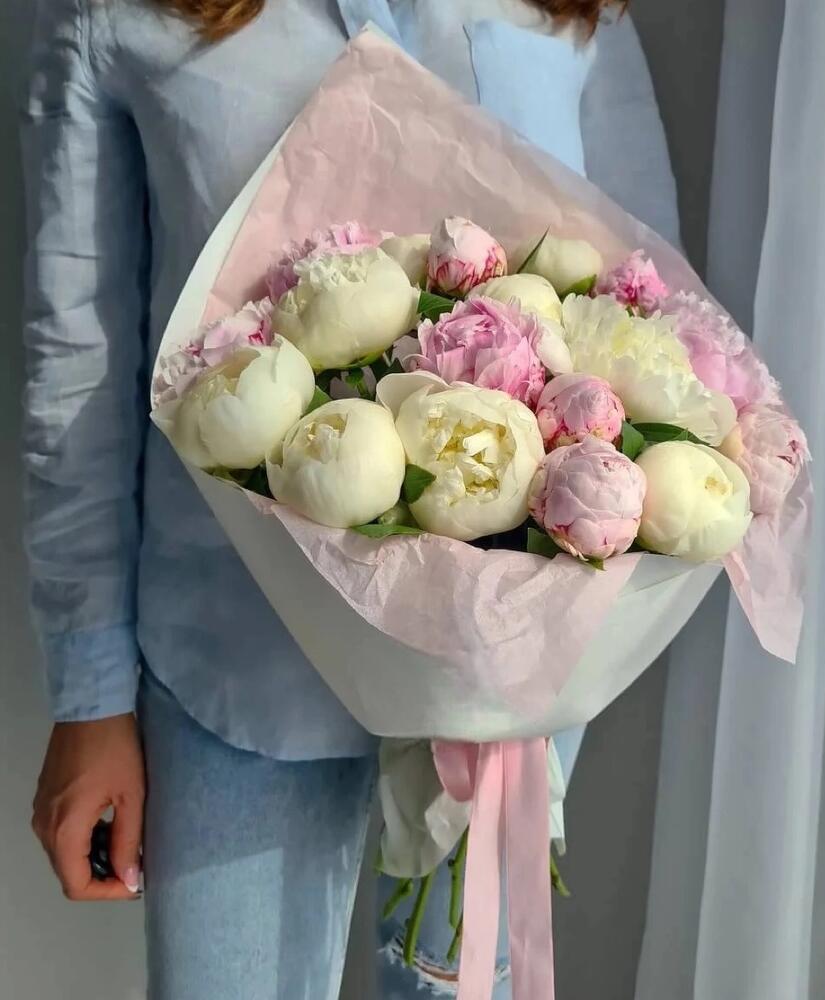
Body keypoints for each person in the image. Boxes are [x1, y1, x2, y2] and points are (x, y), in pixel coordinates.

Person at [22, 0, 681, 995]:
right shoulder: (121, 17)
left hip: (502, 662)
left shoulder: (576, 15)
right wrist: (92, 695)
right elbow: (80, 373)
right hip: (238, 652)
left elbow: (650, 312)